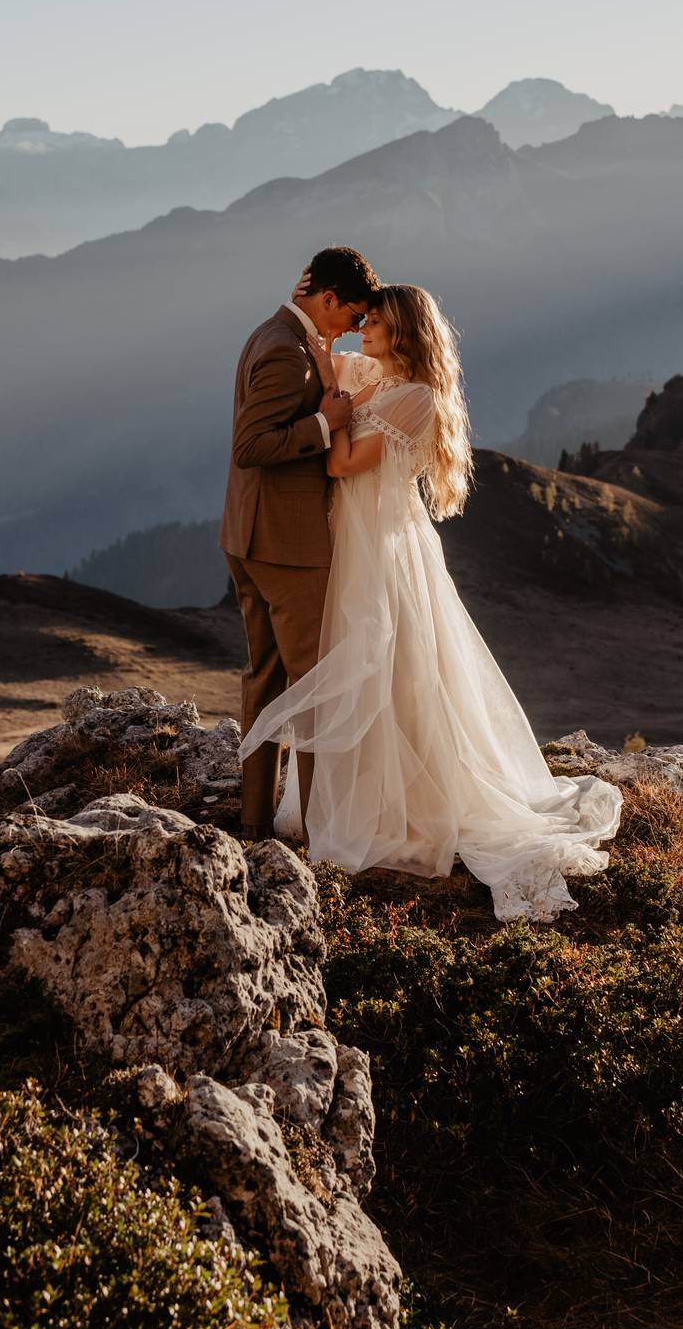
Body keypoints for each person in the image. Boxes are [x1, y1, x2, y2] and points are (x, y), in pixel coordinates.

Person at [240, 279, 622, 921]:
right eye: (364, 319)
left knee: (392, 664)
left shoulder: (417, 398)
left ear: (404, 332)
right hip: (349, 540)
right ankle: (353, 793)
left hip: (383, 545)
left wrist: (334, 415)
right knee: (355, 660)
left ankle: (405, 802)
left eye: (377, 323)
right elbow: (321, 356)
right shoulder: (370, 372)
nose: (364, 328)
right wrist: (313, 316)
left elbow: (343, 465)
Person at [220, 244, 381, 841]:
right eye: (355, 315)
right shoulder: (287, 352)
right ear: (330, 299)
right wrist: (326, 425)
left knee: (264, 678)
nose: (356, 329)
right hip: (286, 546)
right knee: (314, 684)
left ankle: (255, 818)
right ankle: (319, 830)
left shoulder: (277, 334)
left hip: (247, 533)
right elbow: (252, 445)